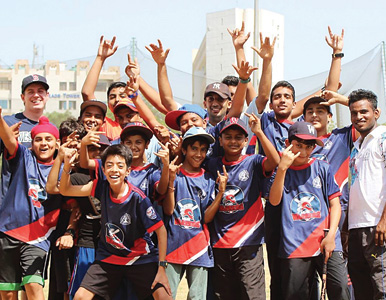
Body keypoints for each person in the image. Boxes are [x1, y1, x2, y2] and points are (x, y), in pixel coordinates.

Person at [59, 144, 172, 300]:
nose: (114, 170)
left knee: (164, 297)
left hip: (139, 258)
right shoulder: (100, 187)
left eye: (120, 166)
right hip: (109, 257)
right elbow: (65, 190)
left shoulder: (138, 198)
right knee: (80, 296)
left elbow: (161, 231)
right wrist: (66, 166)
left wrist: (162, 268)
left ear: (127, 171)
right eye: (109, 165)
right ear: (103, 170)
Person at [269, 121, 349, 300]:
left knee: (340, 289)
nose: (304, 152)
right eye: (298, 146)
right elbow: (274, 201)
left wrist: (331, 236)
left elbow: (335, 205)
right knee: (296, 295)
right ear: (288, 144)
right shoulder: (281, 170)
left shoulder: (322, 168)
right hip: (295, 245)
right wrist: (282, 168)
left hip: (326, 241)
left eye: (309, 146)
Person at [205, 116, 279, 300]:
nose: (233, 141)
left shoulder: (253, 162)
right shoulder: (213, 164)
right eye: (228, 136)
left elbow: (275, 161)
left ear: (246, 140)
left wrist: (259, 132)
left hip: (248, 242)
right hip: (219, 243)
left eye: (238, 137)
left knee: (252, 295)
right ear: (220, 141)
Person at [0, 114, 62, 300]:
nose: (43, 143)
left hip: (38, 237)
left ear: (57, 143)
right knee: (8, 294)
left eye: (48, 139)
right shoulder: (23, 157)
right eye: (38, 139)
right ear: (32, 143)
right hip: (8, 231)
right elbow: (9, 139)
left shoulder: (63, 167)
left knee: (33, 285)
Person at [162, 127, 227, 299]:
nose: (198, 154)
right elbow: (169, 210)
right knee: (167, 295)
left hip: (199, 248)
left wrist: (220, 193)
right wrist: (171, 182)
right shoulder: (174, 173)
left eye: (203, 149)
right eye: (194, 148)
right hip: (173, 246)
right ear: (184, 149)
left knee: (197, 297)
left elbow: (206, 218)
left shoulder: (208, 179)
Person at [347, 89, 386, 300]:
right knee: (362, 290)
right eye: (354, 113)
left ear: (376, 113)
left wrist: (384, 221)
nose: (358, 117)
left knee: (381, 288)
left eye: (364, 111)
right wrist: (346, 228)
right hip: (356, 229)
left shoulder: (382, 138)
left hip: (377, 228)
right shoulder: (356, 146)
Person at [0, 74, 50, 202]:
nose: (36, 95)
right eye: (30, 92)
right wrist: (6, 139)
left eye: (40, 91)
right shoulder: (8, 122)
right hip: (10, 200)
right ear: (23, 97)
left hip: (39, 203)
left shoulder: (50, 129)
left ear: (47, 96)